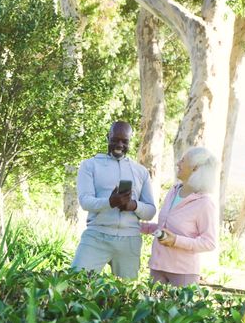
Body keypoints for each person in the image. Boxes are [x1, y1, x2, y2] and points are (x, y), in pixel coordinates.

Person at [70, 121, 157, 279]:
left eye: (125, 141)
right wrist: (110, 202)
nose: (119, 145)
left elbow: (150, 211)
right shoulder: (90, 165)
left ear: (130, 141)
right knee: (76, 281)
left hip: (129, 240)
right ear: (107, 137)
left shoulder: (141, 171)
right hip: (96, 235)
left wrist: (133, 205)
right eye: (115, 140)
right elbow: (85, 201)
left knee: (126, 290)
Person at [139, 147, 218, 286]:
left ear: (195, 168)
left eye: (183, 160)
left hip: (183, 273)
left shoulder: (204, 202)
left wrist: (176, 240)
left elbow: (209, 243)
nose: (178, 164)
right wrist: (141, 227)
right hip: (157, 268)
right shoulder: (174, 191)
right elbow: (165, 228)